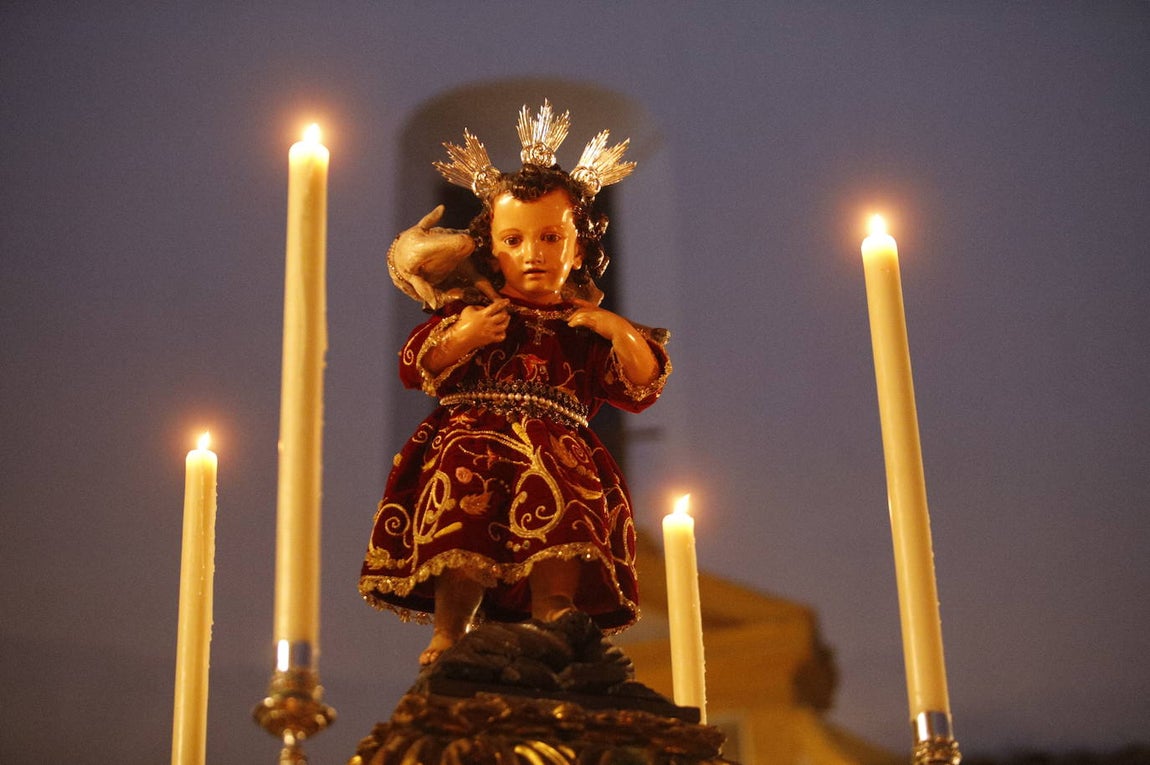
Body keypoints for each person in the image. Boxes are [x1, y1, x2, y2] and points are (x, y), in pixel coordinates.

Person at [359, 102, 671, 666]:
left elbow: (641, 383)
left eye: (551, 237)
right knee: (463, 527)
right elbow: (418, 364)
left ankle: (554, 607)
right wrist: (466, 337)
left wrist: (617, 329)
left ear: (577, 248)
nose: (533, 255)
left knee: (566, 514)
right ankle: (452, 628)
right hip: (471, 443)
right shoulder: (472, 310)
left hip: (558, 448)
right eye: (514, 240)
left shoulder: (581, 328)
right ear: (491, 248)